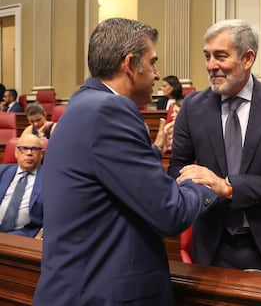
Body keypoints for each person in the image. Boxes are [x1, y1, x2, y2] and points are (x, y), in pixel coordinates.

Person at [33, 18, 224, 306]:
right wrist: (211, 186)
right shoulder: (111, 110)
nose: (158, 74)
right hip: (102, 294)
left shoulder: (81, 104)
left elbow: (110, 177)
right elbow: (170, 212)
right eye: (153, 62)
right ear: (130, 64)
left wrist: (154, 150)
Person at [168, 19, 261, 276]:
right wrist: (199, 187)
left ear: (247, 58)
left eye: (220, 56)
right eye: (207, 56)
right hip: (211, 245)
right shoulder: (192, 107)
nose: (211, 66)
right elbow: (177, 168)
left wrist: (229, 187)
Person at [0, 134, 45, 237]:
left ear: (41, 154)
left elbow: (55, 212)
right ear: (16, 153)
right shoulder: (2, 171)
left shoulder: (49, 178)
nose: (29, 153)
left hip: (24, 234)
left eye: (35, 149)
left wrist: (41, 234)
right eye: (24, 148)